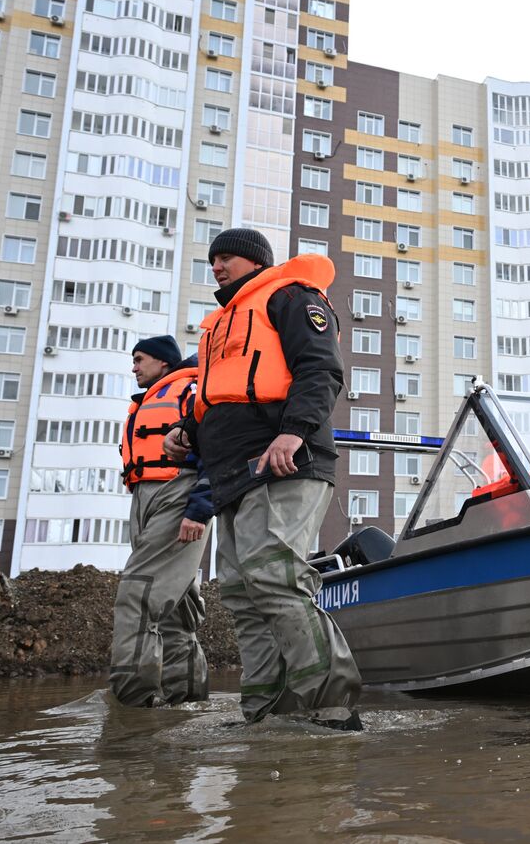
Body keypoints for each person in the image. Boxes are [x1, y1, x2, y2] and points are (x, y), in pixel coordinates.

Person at [163, 228, 362, 728]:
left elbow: (320, 369)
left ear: (255, 261)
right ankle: (266, 711)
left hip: (285, 461)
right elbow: (219, 394)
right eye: (212, 261)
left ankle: (329, 706)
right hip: (232, 473)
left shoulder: (291, 297)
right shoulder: (219, 326)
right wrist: (187, 430)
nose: (217, 267)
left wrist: (293, 432)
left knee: (275, 577)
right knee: (241, 591)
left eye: (226, 258)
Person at [109, 336, 213, 707]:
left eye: (140, 359)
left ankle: (132, 708)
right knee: (173, 609)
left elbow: (213, 446)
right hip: (146, 498)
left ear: (164, 363)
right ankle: (187, 703)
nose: (134, 366)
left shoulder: (189, 390)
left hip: (176, 493)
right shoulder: (149, 401)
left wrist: (198, 508)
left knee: (138, 596)